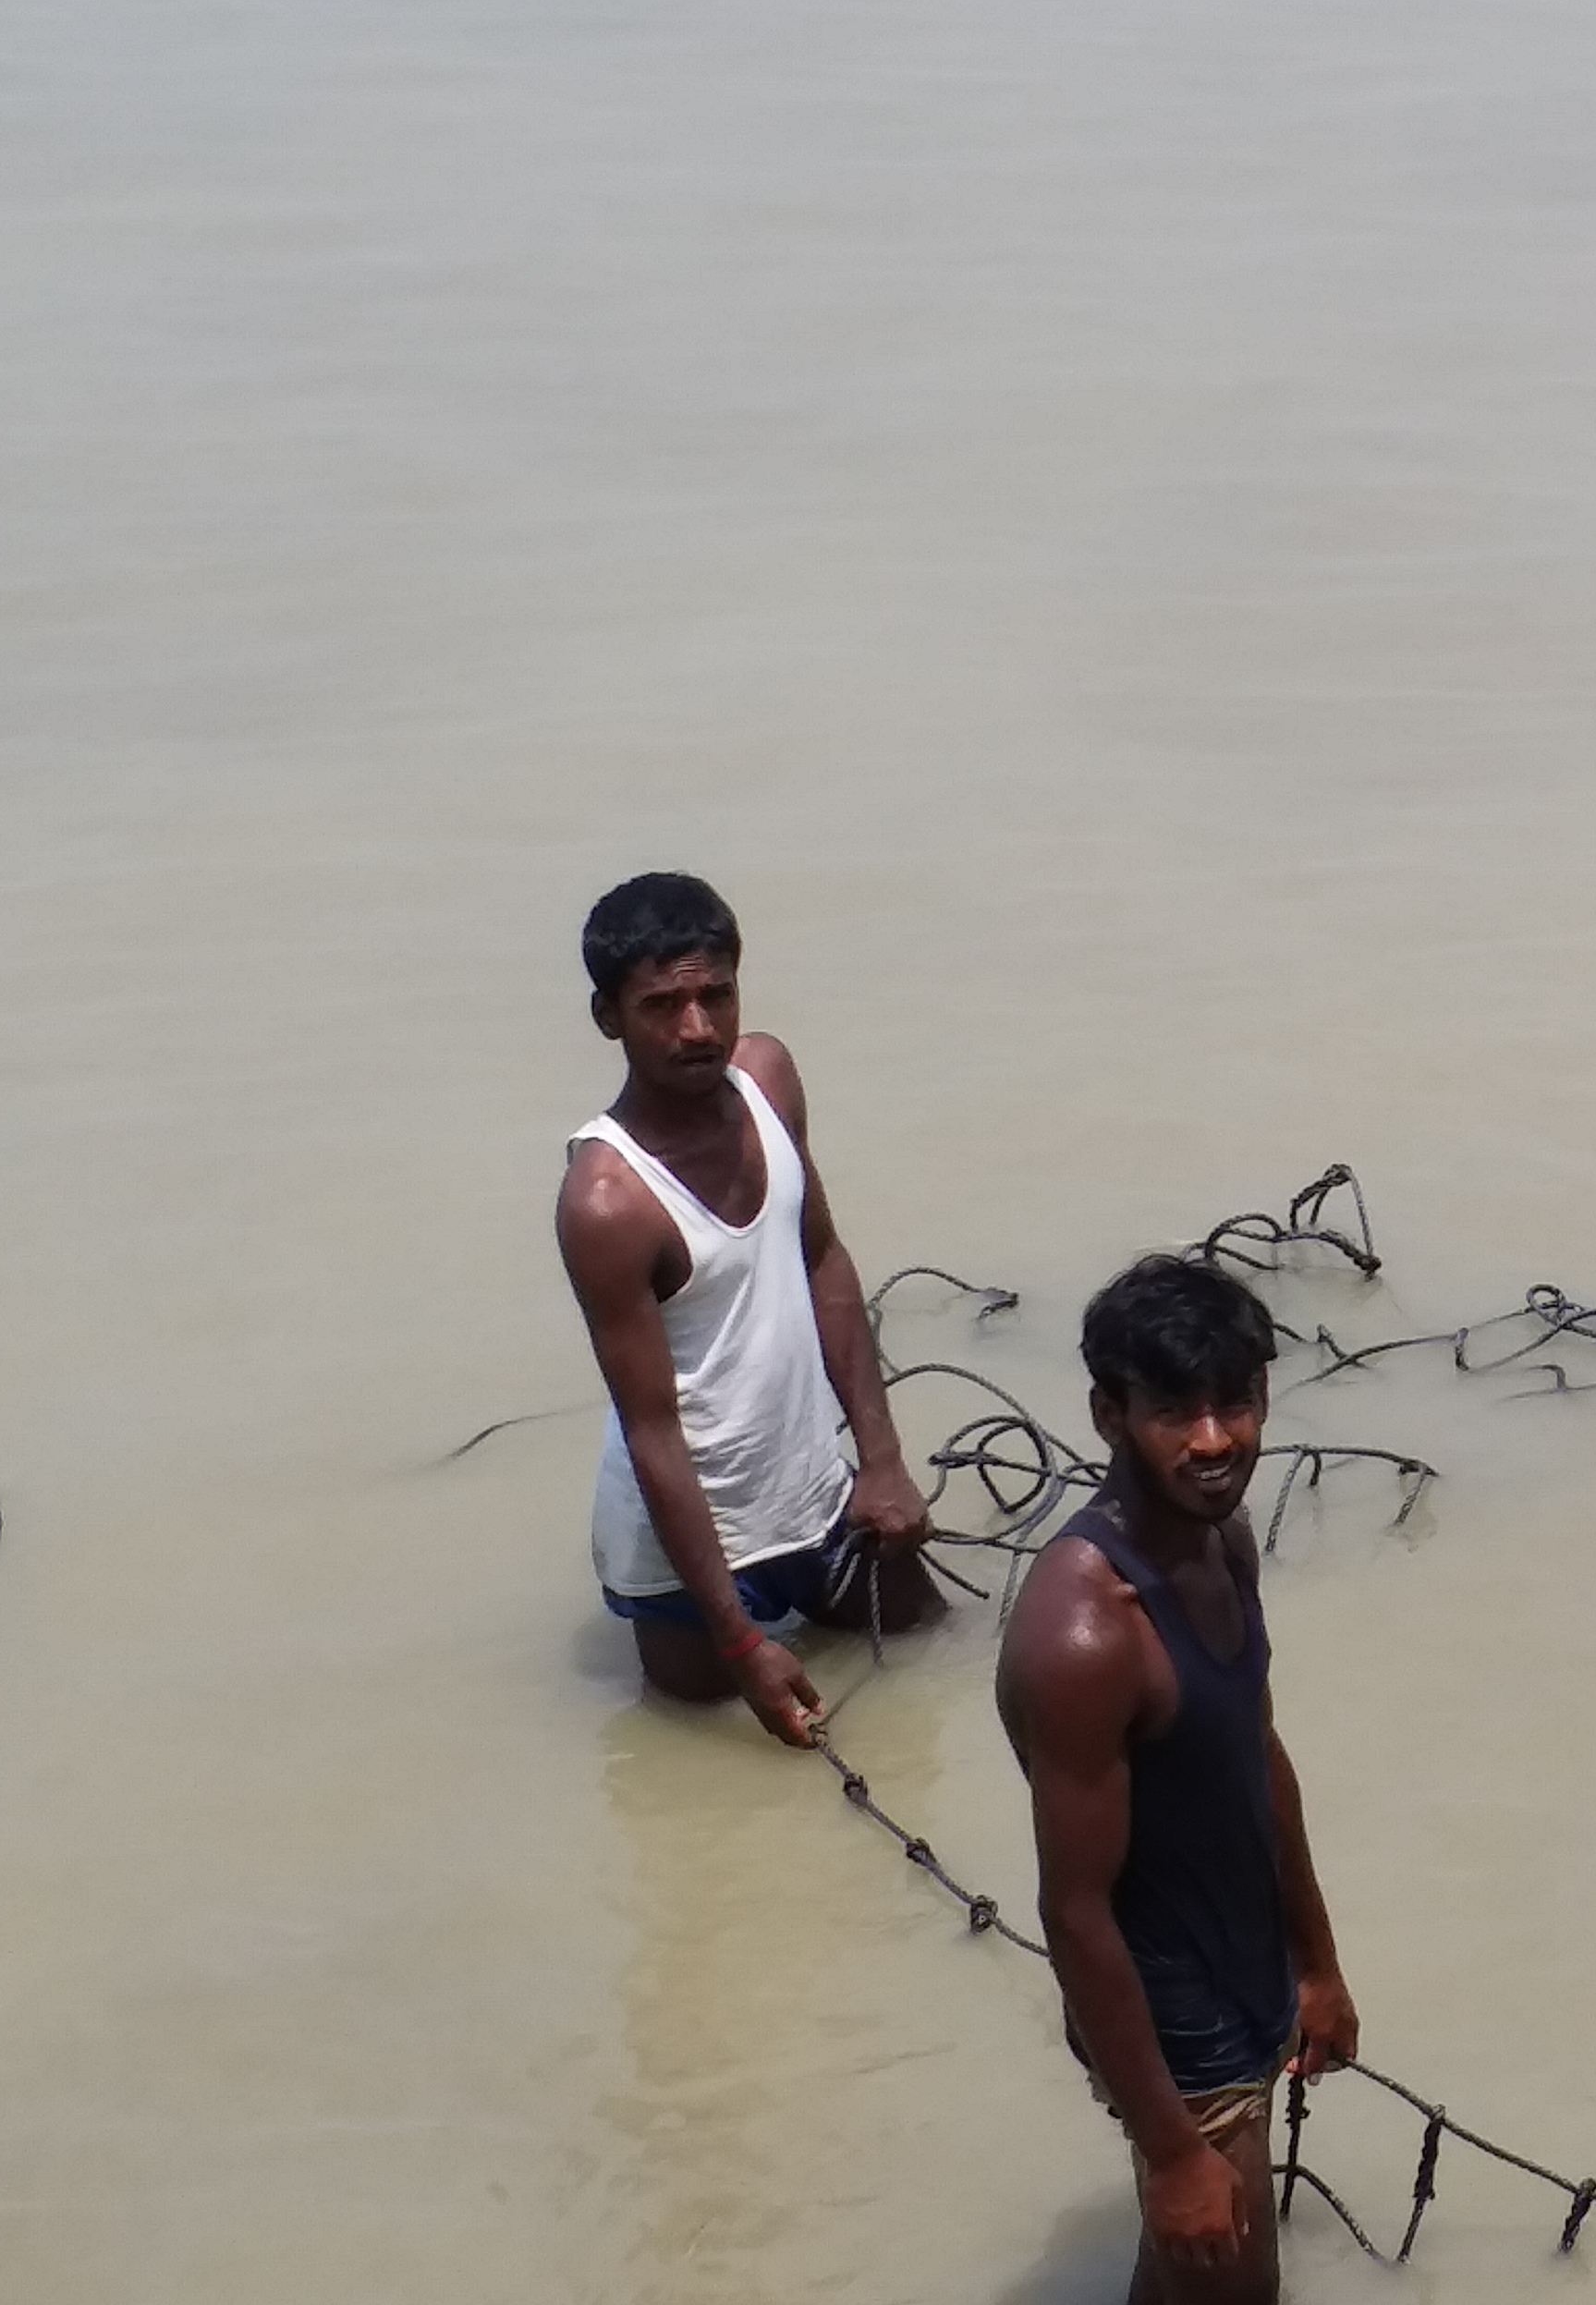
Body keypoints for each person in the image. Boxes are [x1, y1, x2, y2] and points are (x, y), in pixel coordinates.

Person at [997, 1256, 1358, 2305]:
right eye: (1172, 1411)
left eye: (1234, 1404)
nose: (1213, 1441)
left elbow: (1259, 1753)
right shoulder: (1085, 1633)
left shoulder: (1223, 1538)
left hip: (1246, 1962)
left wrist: (1316, 1963)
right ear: (1109, 1415)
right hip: (1167, 2015)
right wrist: (1171, 2152)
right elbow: (1073, 1915)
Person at [555, 872, 936, 1747]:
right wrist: (737, 1638)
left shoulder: (767, 1077)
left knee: (935, 1661)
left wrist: (881, 1461)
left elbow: (822, 1256)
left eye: (714, 995)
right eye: (662, 1005)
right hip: (690, 1555)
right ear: (608, 1017)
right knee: (705, 1774)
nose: (698, 1029)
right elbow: (651, 1430)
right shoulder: (609, 1202)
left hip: (816, 1492)